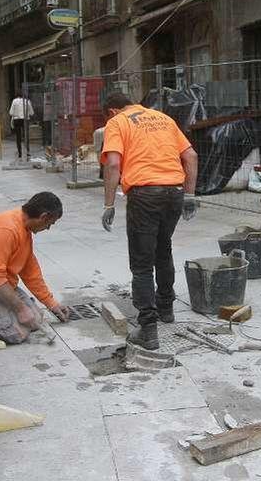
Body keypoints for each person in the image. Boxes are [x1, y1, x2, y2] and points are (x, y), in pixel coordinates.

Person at [100, 92, 199, 350]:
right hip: (175, 192)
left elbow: (112, 164)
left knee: (142, 263)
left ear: (112, 111)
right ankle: (166, 308)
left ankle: (148, 328)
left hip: (144, 194)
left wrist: (109, 204)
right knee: (163, 247)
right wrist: (189, 195)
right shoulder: (163, 118)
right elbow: (191, 157)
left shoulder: (117, 122)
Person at [0, 191, 70, 344]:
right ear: (43, 217)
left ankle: (2, 316)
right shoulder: (7, 230)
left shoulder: (24, 228)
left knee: (36, 318)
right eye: (49, 224)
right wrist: (20, 309)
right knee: (17, 334)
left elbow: (30, 272)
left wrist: (51, 303)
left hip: (2, 284)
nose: (48, 228)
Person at [8, 91, 34, 159]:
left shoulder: (14, 101)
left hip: (17, 120)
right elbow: (31, 113)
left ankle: (20, 153)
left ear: (16, 95)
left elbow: (11, 112)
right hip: (25, 120)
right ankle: (27, 151)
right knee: (26, 136)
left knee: (18, 137)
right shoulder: (27, 101)